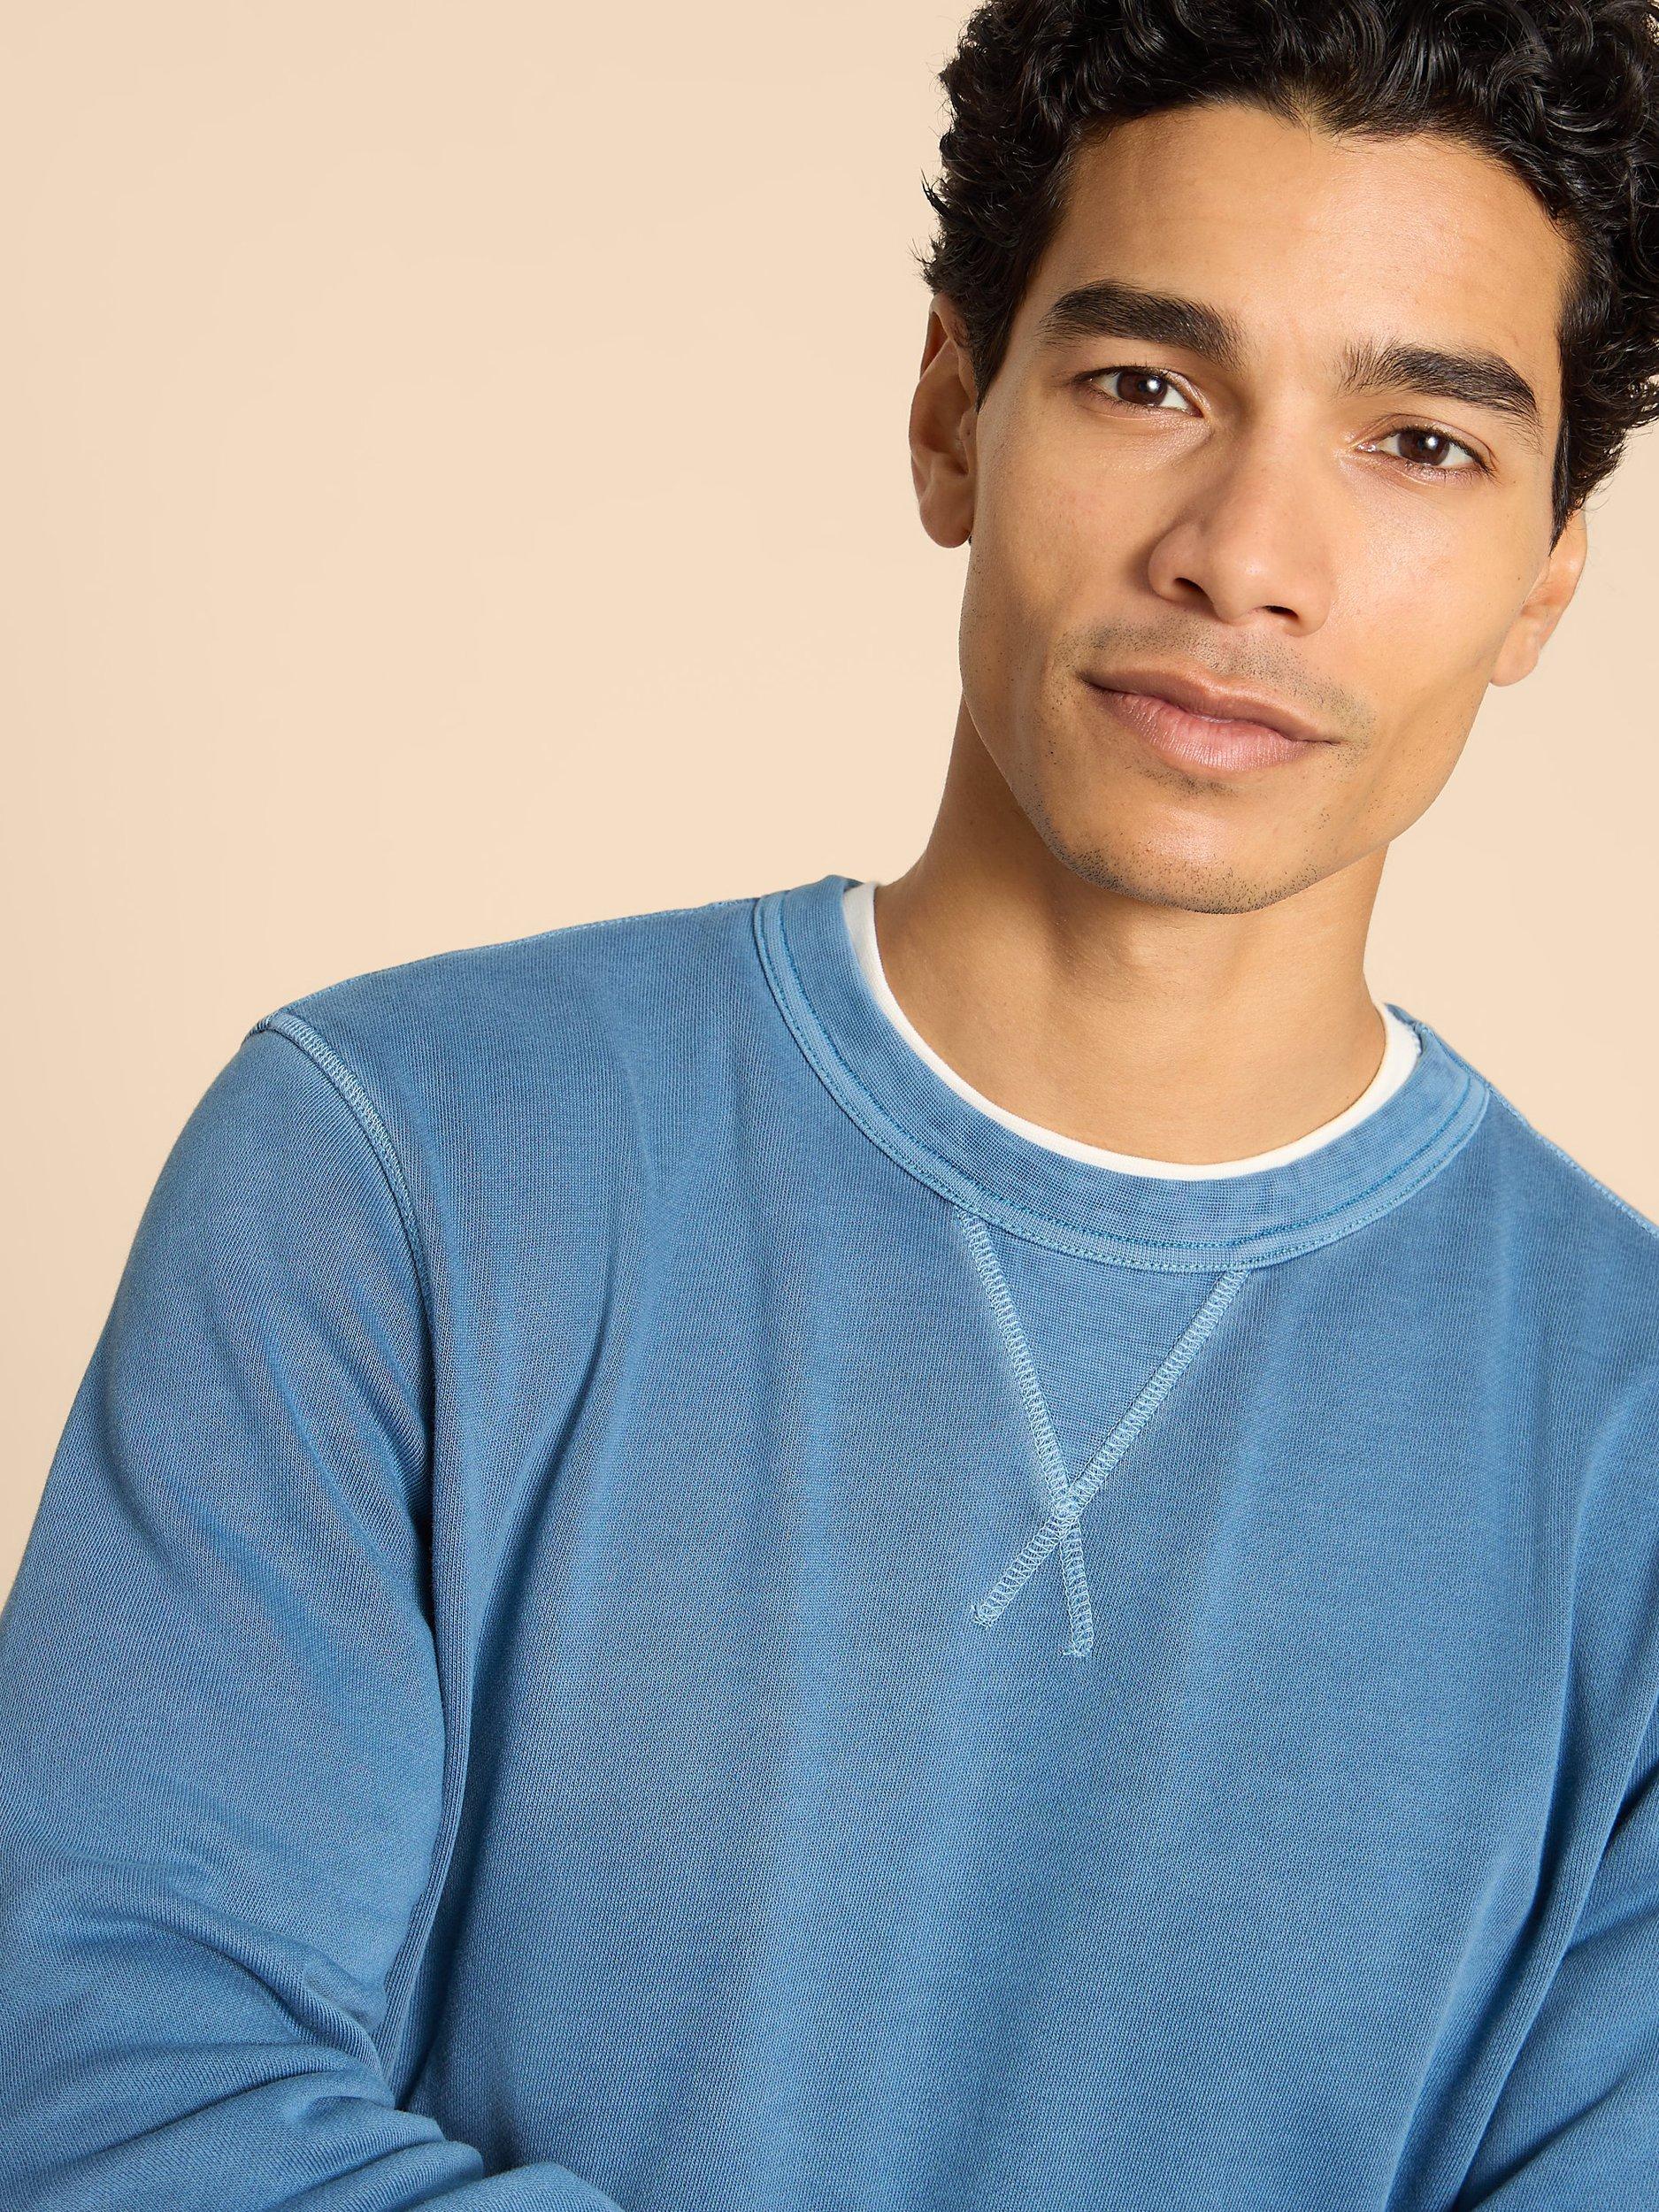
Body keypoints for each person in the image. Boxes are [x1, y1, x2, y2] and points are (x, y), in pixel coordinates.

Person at [4, 3, 1659, 2206]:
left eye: (1419, 443)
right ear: (950, 413)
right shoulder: (396, 1173)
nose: (1244, 553)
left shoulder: (1628, 1447)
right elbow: (114, 2084)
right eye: (1145, 383)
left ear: (1547, 569)